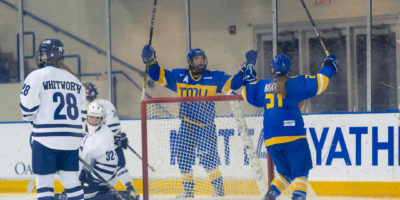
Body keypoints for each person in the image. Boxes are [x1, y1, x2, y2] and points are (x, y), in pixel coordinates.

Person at [141, 44, 257, 198]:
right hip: (187, 124)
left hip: (206, 126)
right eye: (197, 59)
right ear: (190, 62)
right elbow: (158, 76)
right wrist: (151, 61)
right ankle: (188, 190)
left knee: (208, 158)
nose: (200, 61)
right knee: (182, 157)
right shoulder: (180, 76)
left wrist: (245, 67)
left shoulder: (214, 77)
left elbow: (232, 84)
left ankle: (218, 188)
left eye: (202, 58)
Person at [242, 54, 339, 200]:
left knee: (285, 174)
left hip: (271, 140)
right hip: (293, 137)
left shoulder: (263, 86)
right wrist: (330, 66)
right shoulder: (295, 83)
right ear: (289, 69)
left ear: (272, 69)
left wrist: (249, 79)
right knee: (301, 173)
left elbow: (247, 92)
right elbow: (320, 82)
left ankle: (269, 197)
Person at [19, 38, 85, 200]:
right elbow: (83, 115)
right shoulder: (75, 81)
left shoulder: (37, 76)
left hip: (46, 139)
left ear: (46, 54)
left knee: (44, 183)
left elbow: (27, 110)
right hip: (72, 140)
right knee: (71, 181)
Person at [77, 101, 139, 200]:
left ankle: (112, 197)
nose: (94, 120)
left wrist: (91, 177)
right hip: (83, 175)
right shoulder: (80, 128)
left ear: (102, 119)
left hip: (98, 180)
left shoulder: (105, 135)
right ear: (87, 116)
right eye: (91, 117)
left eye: (97, 118)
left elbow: (107, 168)